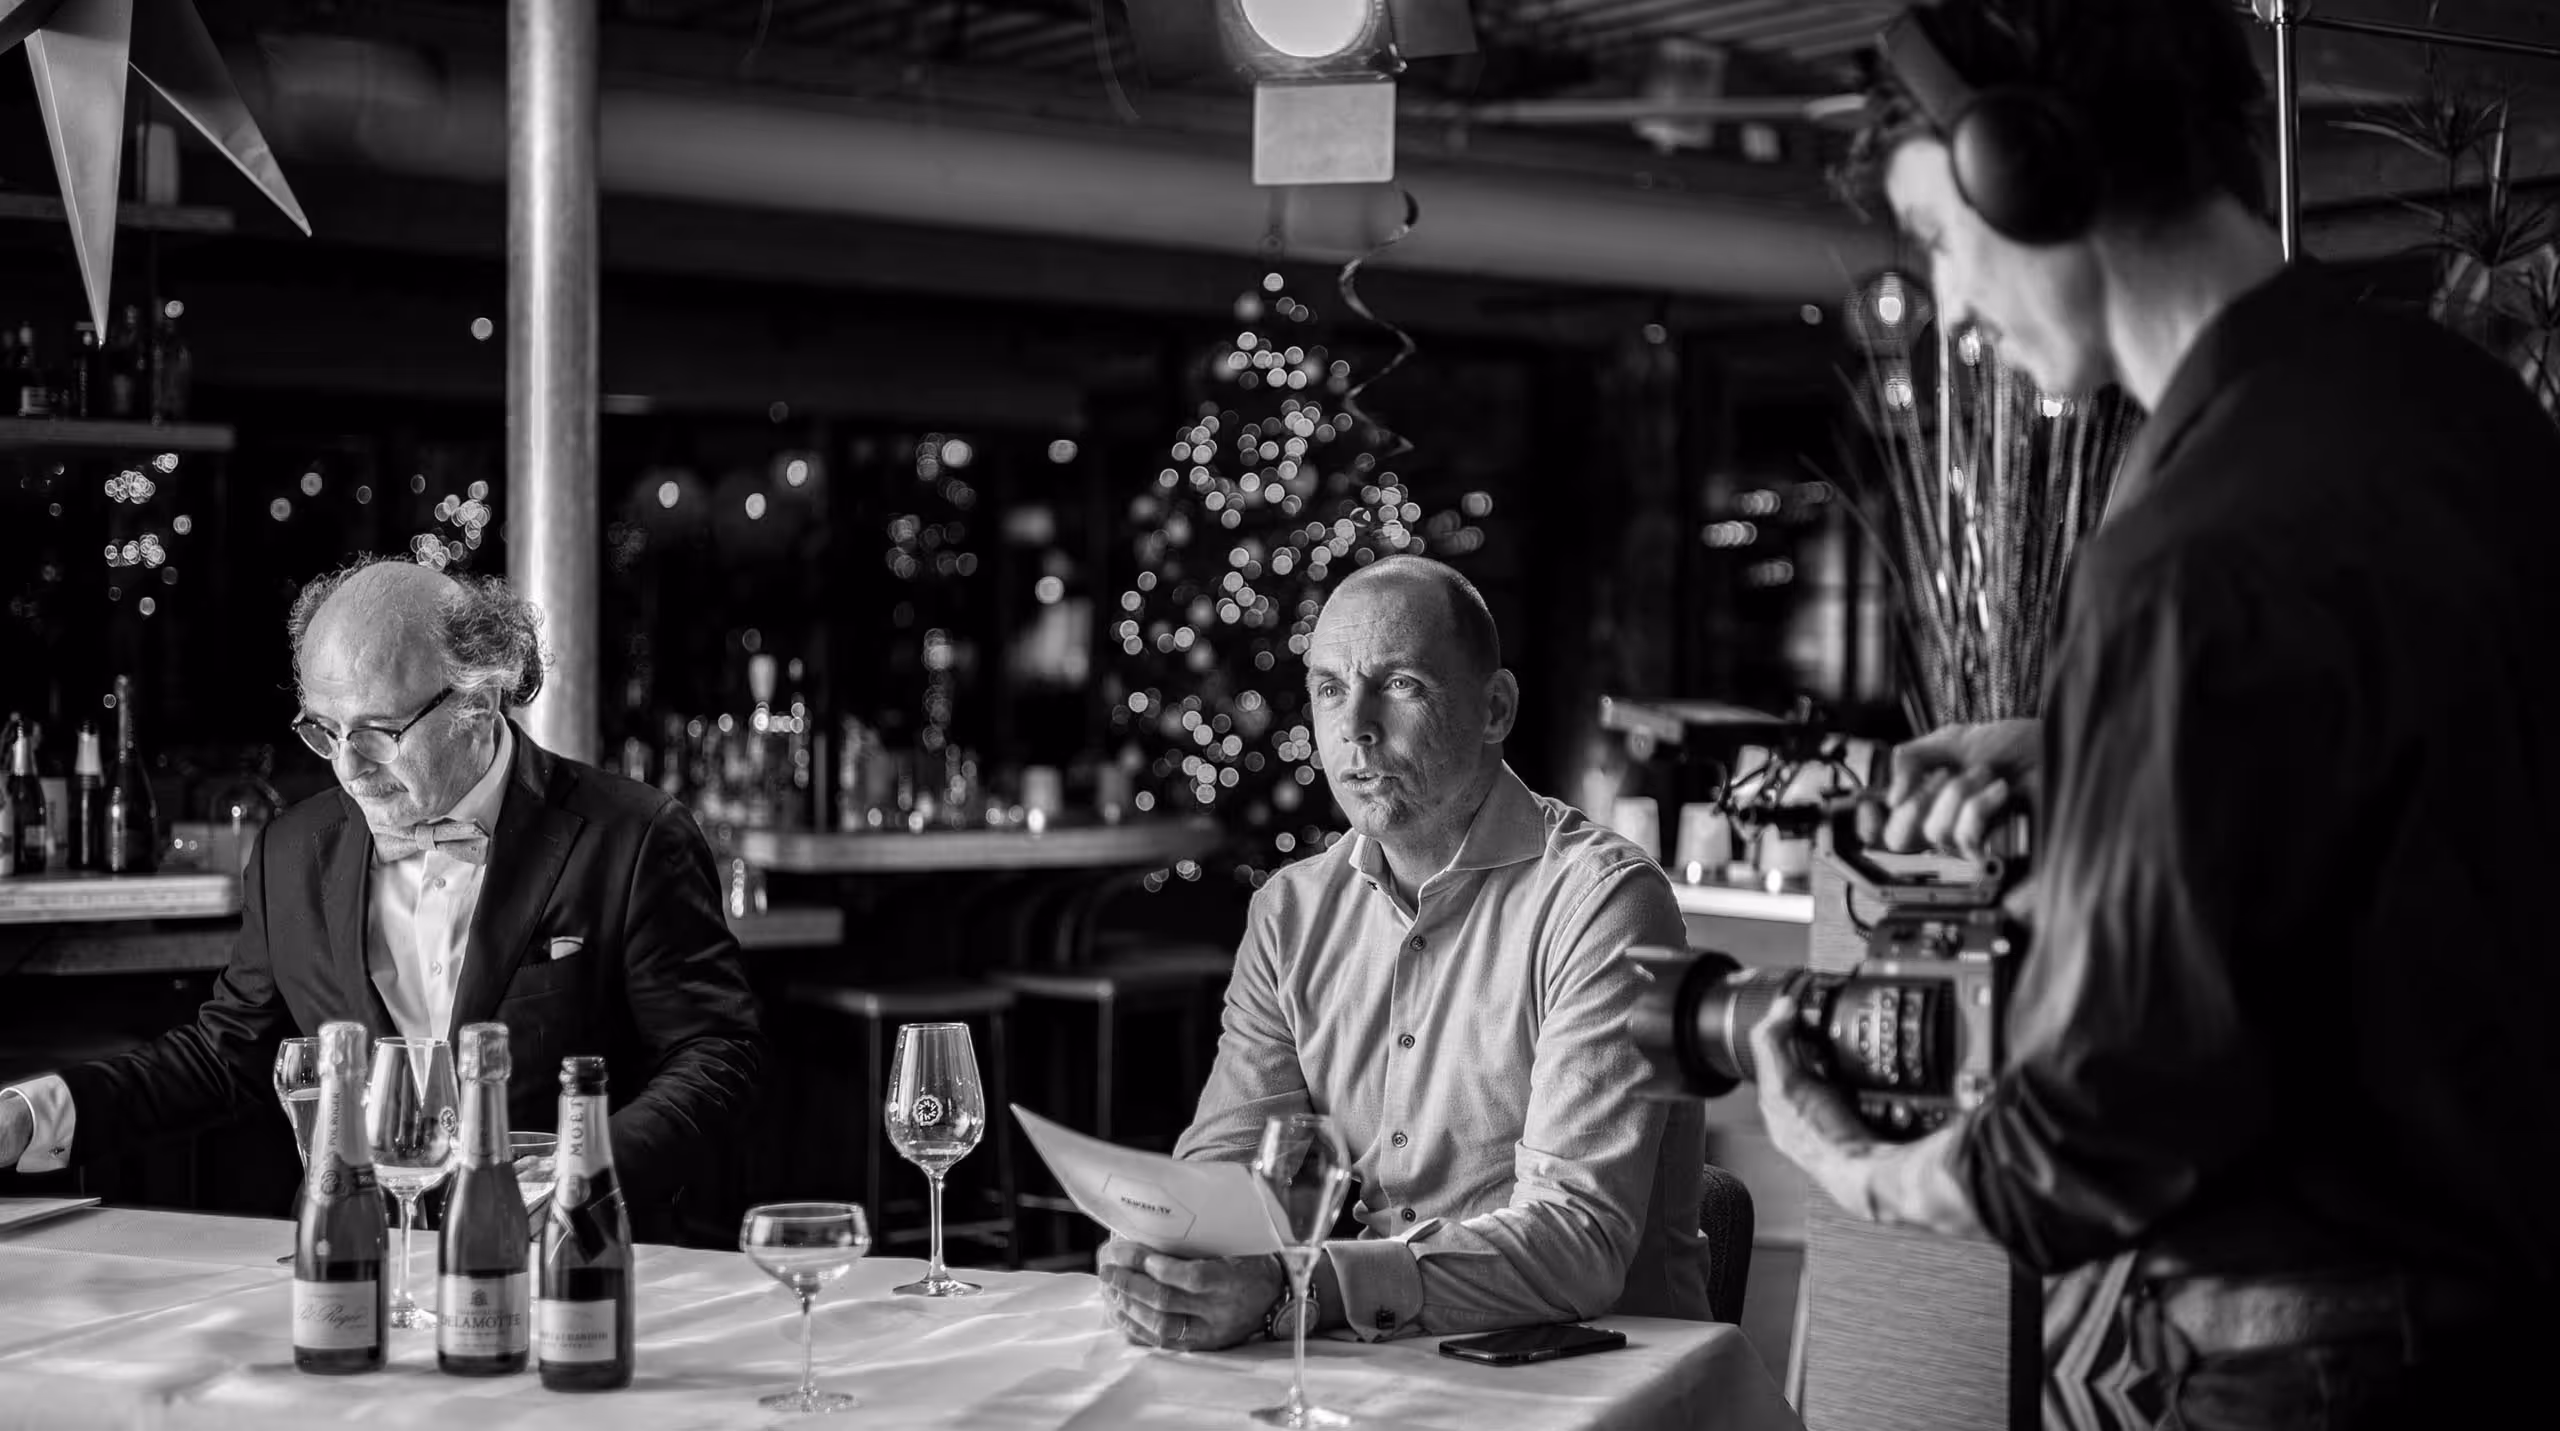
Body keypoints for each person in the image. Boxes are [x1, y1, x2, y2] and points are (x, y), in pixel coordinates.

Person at [1755, 1, 2560, 1425]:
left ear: (2030, 168)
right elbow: (2419, 798)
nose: (1950, 307)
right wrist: (2091, 759)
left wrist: (1848, 1159)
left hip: (2321, 1370)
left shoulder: (2188, 547)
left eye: (1941, 239)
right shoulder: (2463, 407)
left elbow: (2087, 1142)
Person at [0, 557, 766, 1239]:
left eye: (379, 731)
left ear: (480, 697)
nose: (348, 768)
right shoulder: (293, 850)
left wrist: (582, 1175)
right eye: (324, 731)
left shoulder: (633, 838)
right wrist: (34, 1112)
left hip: (572, 1263)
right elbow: (223, 1055)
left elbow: (715, 1057)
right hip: (353, 1262)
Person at [1099, 556, 1710, 1350]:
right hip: (1379, 1362)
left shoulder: (1604, 902)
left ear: (1495, 709)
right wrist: (1172, 1250)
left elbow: (1578, 1241)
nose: (1353, 726)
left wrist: (1307, 1286)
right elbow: (1229, 1168)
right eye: (1328, 688)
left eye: (1399, 684)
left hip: (1600, 1379)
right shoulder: (1290, 911)